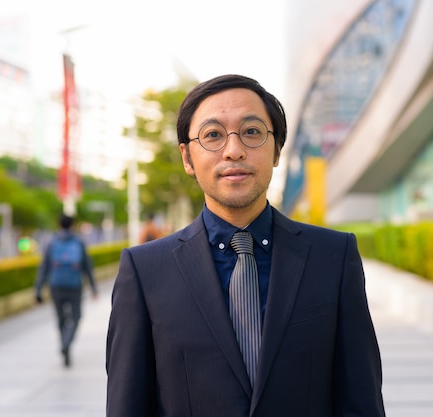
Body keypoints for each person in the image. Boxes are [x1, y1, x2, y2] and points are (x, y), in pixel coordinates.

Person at [106, 74, 386, 416]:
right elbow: (127, 406)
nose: (234, 150)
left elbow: (361, 401)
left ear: (277, 149)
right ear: (187, 158)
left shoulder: (334, 257)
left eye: (252, 132)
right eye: (213, 135)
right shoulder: (145, 271)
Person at [35, 214, 97, 368]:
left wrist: (38, 290)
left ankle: (64, 344)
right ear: (73, 225)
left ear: (58, 224)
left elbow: (44, 268)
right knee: (76, 318)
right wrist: (93, 287)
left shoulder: (52, 242)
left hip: (56, 285)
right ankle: (66, 343)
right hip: (74, 286)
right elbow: (87, 267)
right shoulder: (79, 242)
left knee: (61, 319)